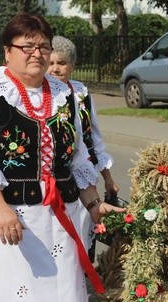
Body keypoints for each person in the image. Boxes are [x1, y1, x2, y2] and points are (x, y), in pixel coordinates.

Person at [0, 13, 125, 302]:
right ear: (7, 51)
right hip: (14, 219)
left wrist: (94, 205)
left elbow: (79, 159)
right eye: (27, 46)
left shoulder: (65, 97)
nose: (37, 54)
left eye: (43, 46)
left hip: (65, 218)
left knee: (64, 301)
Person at [47, 35, 119, 261]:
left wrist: (107, 178)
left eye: (62, 63)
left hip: (83, 173)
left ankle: (82, 273)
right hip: (54, 177)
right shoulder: (43, 94)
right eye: (51, 63)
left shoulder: (81, 93)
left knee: (86, 223)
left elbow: (94, 137)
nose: (56, 69)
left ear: (73, 65)